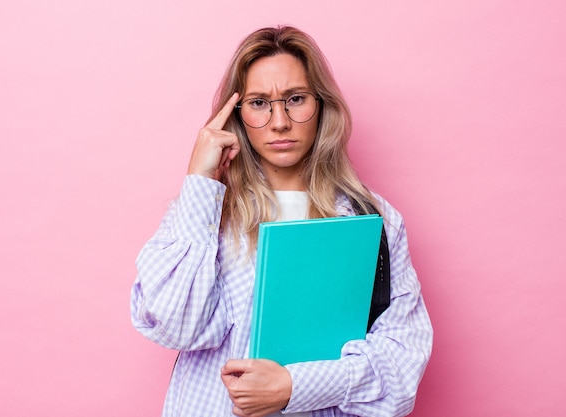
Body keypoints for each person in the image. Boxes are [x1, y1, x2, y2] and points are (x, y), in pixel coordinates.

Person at [131, 25, 432, 417]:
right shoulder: (204, 212)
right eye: (258, 103)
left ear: (321, 104)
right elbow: (175, 326)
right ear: (235, 115)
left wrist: (296, 387)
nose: (279, 122)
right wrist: (200, 183)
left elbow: (402, 364)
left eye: (295, 99)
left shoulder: (374, 221)